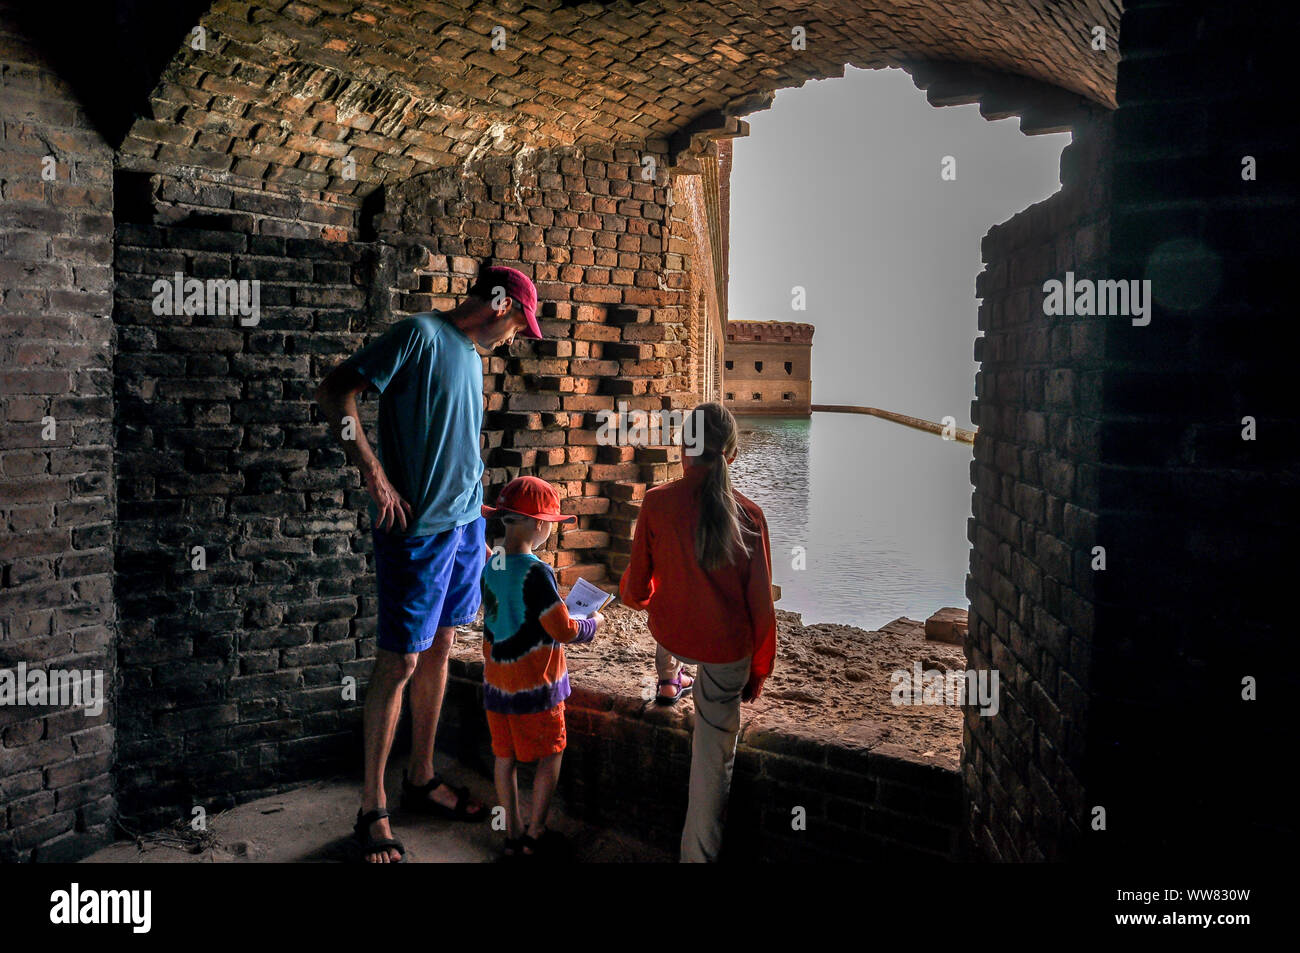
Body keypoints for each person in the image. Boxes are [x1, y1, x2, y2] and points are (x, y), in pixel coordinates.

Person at [316, 264, 542, 863]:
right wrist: (374, 474)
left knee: (443, 646)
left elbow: (457, 442)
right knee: (400, 659)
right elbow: (335, 390)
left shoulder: (471, 355)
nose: (520, 334)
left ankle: (419, 777)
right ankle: (371, 808)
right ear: (499, 304)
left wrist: (481, 519)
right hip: (416, 533)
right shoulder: (417, 333)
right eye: (521, 321)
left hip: (466, 526)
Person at [619, 401, 777, 862]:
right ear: (730, 454)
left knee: (667, 626)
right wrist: (758, 672)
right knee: (712, 761)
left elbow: (636, 589)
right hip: (726, 652)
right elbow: (761, 609)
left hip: (674, 636)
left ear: (681, 447)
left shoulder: (657, 502)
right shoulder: (750, 515)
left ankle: (670, 676)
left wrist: (655, 600)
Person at [479, 476, 603, 860]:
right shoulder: (538, 571)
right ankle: (536, 833)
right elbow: (562, 630)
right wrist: (592, 623)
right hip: (537, 686)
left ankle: (512, 834)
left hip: (497, 684)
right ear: (540, 524)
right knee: (552, 753)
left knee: (505, 758)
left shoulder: (491, 564)